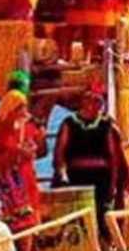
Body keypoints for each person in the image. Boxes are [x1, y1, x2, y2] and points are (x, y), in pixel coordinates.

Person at [0, 92, 43, 249]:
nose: (25, 112)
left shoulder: (21, 128)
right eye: (21, 108)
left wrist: (31, 149)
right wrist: (15, 153)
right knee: (7, 227)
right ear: (11, 109)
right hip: (3, 186)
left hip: (20, 185)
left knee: (28, 223)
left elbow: (36, 152)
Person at [53, 89, 123, 239]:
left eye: (99, 101)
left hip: (100, 180)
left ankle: (104, 248)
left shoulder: (106, 124)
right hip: (76, 178)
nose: (95, 104)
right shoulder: (69, 123)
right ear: (83, 102)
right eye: (92, 100)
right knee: (77, 218)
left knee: (101, 216)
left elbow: (113, 157)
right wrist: (62, 175)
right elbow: (59, 152)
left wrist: (113, 184)